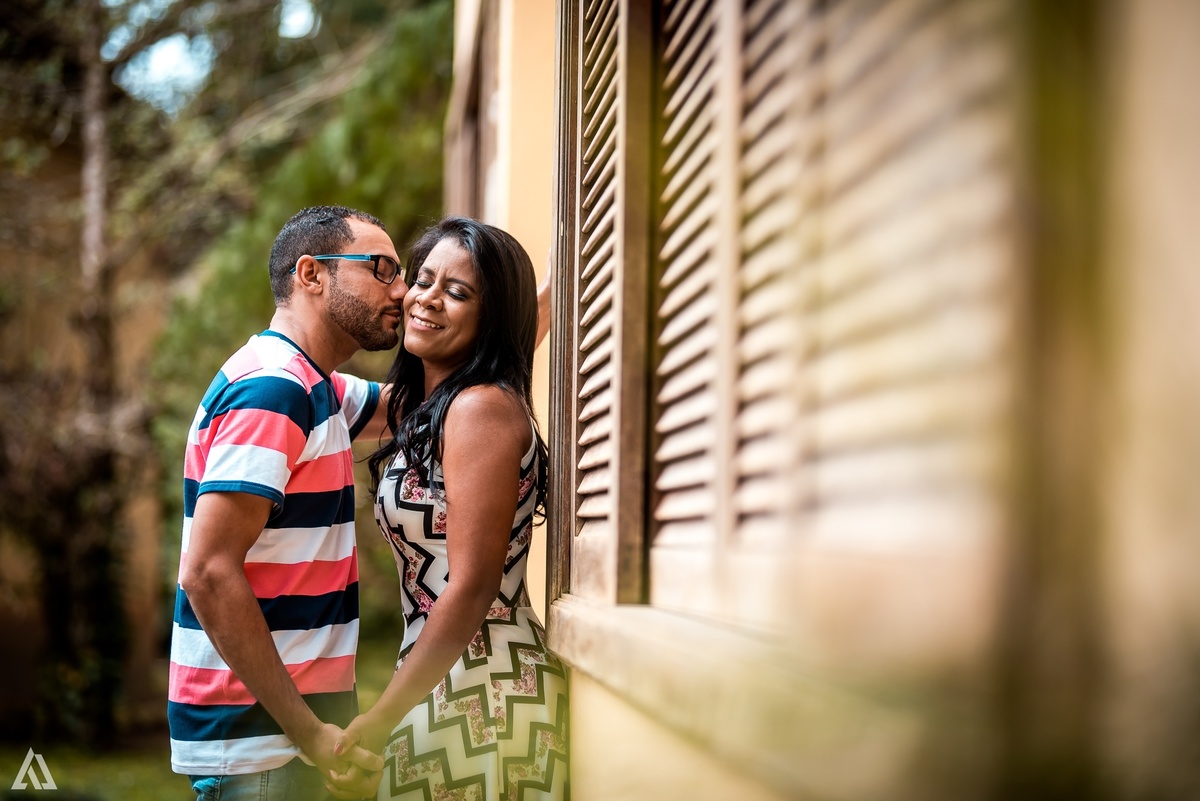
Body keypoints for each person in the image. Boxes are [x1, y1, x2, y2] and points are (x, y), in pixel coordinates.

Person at [327, 217, 568, 801]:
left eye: (457, 293)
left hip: (488, 691)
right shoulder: (430, 407)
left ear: (489, 318)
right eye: (424, 279)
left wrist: (380, 720)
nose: (428, 299)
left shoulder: (480, 410)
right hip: (441, 678)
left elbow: (472, 582)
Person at [168, 205, 405, 799]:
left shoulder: (313, 384)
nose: (401, 291)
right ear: (311, 273)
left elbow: (427, 407)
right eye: (381, 268)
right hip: (264, 750)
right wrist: (310, 735)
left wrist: (534, 300)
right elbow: (208, 572)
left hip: (275, 746)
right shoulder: (275, 387)